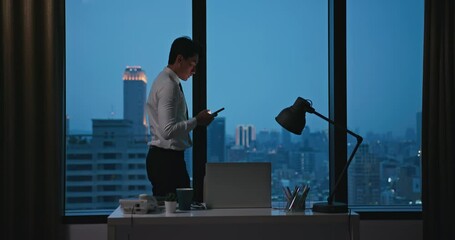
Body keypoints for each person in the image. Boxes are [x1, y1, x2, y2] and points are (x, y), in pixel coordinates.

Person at [145, 36, 214, 197]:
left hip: (165, 159)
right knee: (175, 216)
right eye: (192, 64)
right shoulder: (169, 86)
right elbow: (168, 131)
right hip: (166, 162)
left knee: (174, 214)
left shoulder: (166, 81)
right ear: (179, 59)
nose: (194, 71)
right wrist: (197, 120)